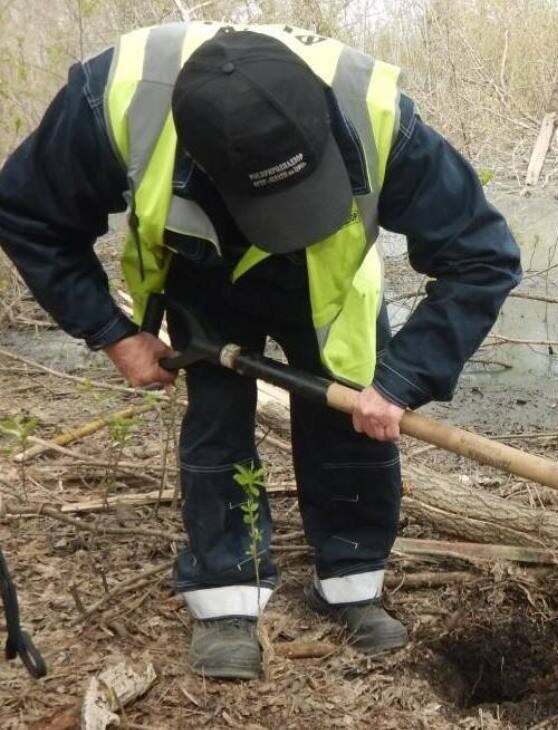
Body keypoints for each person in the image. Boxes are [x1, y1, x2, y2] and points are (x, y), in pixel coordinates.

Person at [0, 22, 521, 680]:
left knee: (352, 417)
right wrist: (114, 332)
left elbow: (483, 257)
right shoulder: (113, 99)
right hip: (200, 266)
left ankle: (353, 582)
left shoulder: (378, 113)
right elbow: (27, 213)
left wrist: (402, 380)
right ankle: (226, 597)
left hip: (328, 286)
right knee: (217, 423)